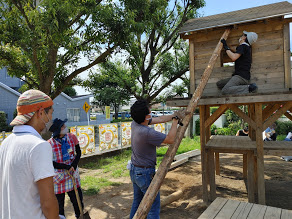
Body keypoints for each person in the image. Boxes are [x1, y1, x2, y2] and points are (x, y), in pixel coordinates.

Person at [0, 89, 59, 219]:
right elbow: (48, 203)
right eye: (50, 114)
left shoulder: (5, 143)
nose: (51, 119)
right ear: (41, 112)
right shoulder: (39, 146)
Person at [129, 99, 187, 219]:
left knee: (137, 202)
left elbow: (159, 119)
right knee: (153, 207)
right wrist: (175, 121)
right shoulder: (146, 132)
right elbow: (170, 139)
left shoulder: (135, 123)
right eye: (150, 111)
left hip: (135, 170)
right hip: (145, 173)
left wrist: (173, 115)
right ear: (146, 116)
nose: (151, 111)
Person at [48, 118, 83, 218]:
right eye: (63, 126)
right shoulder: (49, 144)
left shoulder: (71, 137)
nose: (65, 127)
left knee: (78, 201)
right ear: (58, 130)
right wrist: (66, 167)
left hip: (72, 174)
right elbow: (50, 162)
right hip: (59, 177)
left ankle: (79, 215)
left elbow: (78, 152)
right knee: (59, 206)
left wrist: (73, 166)